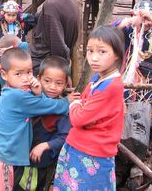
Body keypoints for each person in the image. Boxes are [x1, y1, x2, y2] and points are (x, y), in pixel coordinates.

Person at [0, 48, 76, 191]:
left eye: (29, 72)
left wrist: (38, 93)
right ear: (4, 74)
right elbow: (49, 106)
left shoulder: (12, 90)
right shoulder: (19, 96)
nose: (25, 78)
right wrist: (67, 102)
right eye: (18, 74)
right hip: (2, 158)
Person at [53, 25, 125, 191]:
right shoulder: (98, 79)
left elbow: (78, 118)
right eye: (90, 51)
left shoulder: (111, 86)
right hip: (81, 147)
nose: (94, 58)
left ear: (116, 55)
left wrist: (74, 104)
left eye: (102, 52)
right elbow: (84, 102)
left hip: (92, 153)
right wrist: (80, 106)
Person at [14, 56, 72, 191]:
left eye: (59, 83)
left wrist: (46, 145)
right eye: (47, 81)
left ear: (65, 85)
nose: (52, 87)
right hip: (19, 155)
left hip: (38, 162)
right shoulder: (30, 98)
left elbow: (65, 137)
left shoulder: (62, 111)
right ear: (38, 78)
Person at [113, 0, 152, 109]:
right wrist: (131, 20)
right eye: (142, 19)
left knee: (151, 112)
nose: (145, 22)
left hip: (150, 80)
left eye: (149, 19)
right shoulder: (128, 30)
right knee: (124, 110)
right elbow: (111, 28)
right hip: (129, 79)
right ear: (133, 15)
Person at [29, 0, 79, 75]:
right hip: (52, 69)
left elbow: (59, 47)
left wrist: (62, 71)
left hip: (45, 71)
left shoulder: (52, 5)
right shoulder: (70, 0)